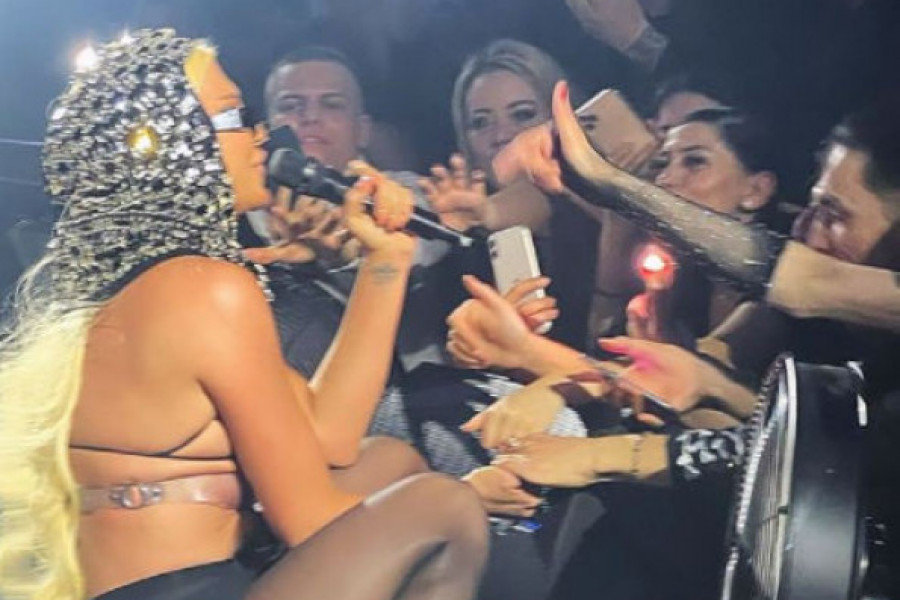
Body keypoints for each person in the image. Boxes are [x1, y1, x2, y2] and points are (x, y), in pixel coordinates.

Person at [0, 29, 487, 600]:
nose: (261, 136)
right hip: (186, 590)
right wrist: (474, 490)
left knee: (390, 460)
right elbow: (308, 520)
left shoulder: (139, 283)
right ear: (171, 143)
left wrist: (387, 258)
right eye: (235, 117)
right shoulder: (205, 291)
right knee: (445, 507)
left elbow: (328, 437)